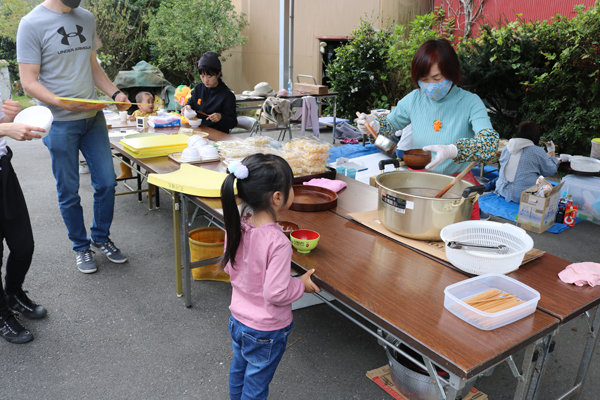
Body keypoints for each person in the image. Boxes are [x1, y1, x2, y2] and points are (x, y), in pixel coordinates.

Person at [17, 0, 131, 274]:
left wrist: (115, 93)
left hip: (93, 119)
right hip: (58, 123)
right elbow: (29, 82)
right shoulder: (30, 24)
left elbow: (93, 66)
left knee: (107, 183)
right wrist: (63, 103)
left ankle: (100, 237)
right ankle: (81, 247)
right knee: (68, 191)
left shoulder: (86, 17)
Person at [357, 39, 499, 219]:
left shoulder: (471, 102)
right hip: (417, 183)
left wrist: (453, 150)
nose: (431, 85)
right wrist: (374, 125)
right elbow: (389, 124)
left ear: (452, 72)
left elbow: (490, 144)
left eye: (437, 78)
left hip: (458, 184)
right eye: (424, 80)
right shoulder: (414, 99)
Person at [219, 154, 321, 400]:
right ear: (277, 197)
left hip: (238, 320)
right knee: (256, 385)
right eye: (291, 187)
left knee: (239, 369)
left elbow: (230, 268)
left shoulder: (237, 225)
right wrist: (301, 285)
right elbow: (276, 293)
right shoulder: (278, 242)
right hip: (265, 330)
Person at [0, 96, 48, 344]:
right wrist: (6, 128)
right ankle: (2, 315)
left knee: (23, 246)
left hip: (3, 171)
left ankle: (13, 293)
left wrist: (11, 118)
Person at [492, 121, 559, 203]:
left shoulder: (506, 148)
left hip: (501, 191)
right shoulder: (536, 151)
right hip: (522, 196)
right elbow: (551, 171)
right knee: (548, 186)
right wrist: (552, 152)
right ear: (536, 136)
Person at [181, 51, 237, 133]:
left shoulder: (227, 95)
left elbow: (233, 122)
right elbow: (191, 102)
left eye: (209, 77)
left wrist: (221, 117)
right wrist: (187, 107)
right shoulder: (198, 88)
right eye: (202, 76)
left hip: (218, 134)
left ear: (218, 74)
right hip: (199, 131)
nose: (205, 80)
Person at [117, 92, 158, 179]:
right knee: (125, 147)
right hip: (137, 139)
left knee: (152, 157)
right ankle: (126, 172)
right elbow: (127, 120)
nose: (151, 104)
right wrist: (131, 119)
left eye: (152, 101)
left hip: (150, 140)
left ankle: (152, 182)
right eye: (148, 102)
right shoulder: (136, 113)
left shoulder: (154, 114)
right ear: (139, 105)